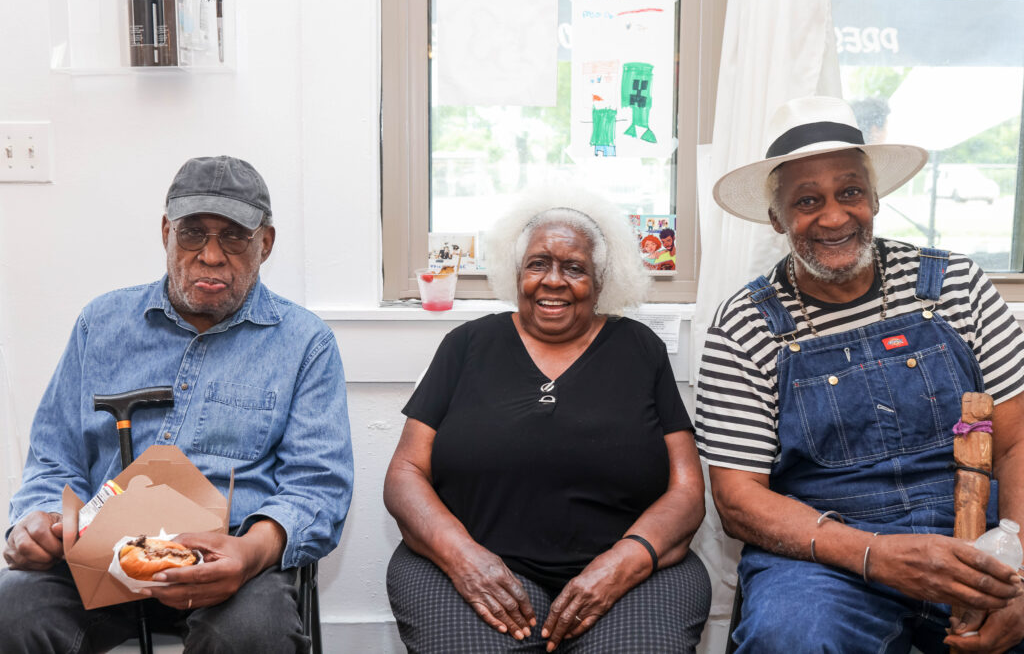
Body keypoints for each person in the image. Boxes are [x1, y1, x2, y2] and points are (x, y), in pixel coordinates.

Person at [697, 96, 1024, 652]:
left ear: (875, 197)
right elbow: (738, 500)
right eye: (807, 200)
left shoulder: (957, 285)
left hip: (976, 535)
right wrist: (874, 553)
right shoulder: (745, 324)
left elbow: (1016, 444)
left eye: (850, 191)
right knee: (790, 637)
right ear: (777, 218)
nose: (833, 216)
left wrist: (1016, 567)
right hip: (827, 553)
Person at [1, 156, 354, 653]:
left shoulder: (305, 343)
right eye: (192, 234)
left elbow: (317, 487)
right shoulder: (100, 324)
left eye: (233, 237)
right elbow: (54, 458)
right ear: (166, 232)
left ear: (265, 244)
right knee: (10, 608)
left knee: (251, 634)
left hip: (228, 562)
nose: (210, 255)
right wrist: (36, 519)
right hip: (100, 555)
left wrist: (251, 553)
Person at [384, 188, 710, 653]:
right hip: (474, 563)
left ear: (601, 280)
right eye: (538, 263)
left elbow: (686, 490)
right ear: (517, 273)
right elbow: (404, 473)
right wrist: (462, 557)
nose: (552, 280)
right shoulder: (466, 344)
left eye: (574, 267)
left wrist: (622, 563)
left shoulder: (640, 349)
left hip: (627, 571)